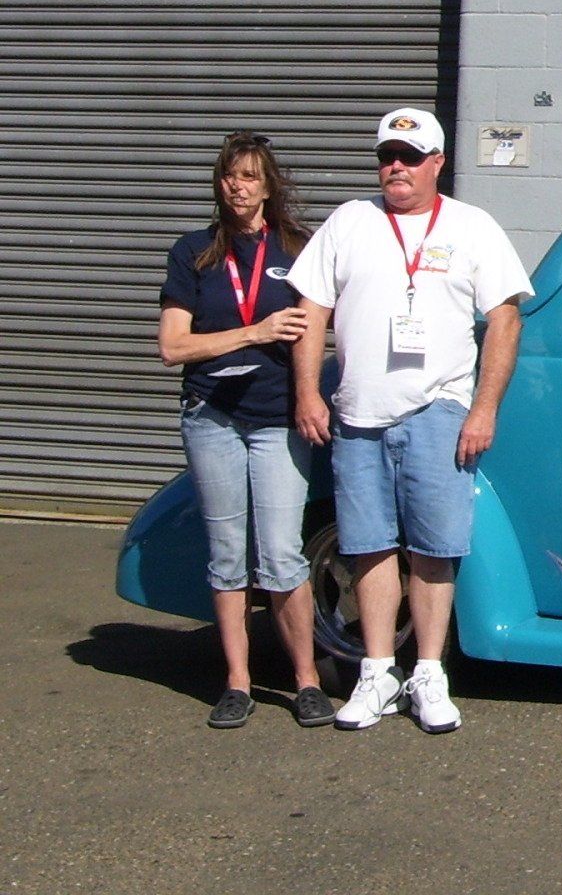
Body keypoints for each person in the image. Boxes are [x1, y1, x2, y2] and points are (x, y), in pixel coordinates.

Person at [289, 107, 531, 734]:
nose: (395, 167)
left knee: (433, 550)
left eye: (409, 156)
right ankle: (376, 674)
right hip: (358, 417)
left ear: (437, 162)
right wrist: (308, 395)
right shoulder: (349, 222)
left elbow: (505, 318)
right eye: (386, 156)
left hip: (438, 413)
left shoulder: (473, 227)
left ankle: (428, 674)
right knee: (367, 548)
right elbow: (311, 309)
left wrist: (482, 409)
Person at [158, 131, 333, 729]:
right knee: (229, 556)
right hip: (211, 416)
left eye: (251, 176)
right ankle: (236, 681)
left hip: (276, 418)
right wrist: (251, 333)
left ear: (268, 185)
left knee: (283, 555)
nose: (240, 186)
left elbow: (316, 329)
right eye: (231, 176)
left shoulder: (299, 248)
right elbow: (172, 346)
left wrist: (311, 395)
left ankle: (306, 681)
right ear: (220, 182)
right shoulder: (194, 252)